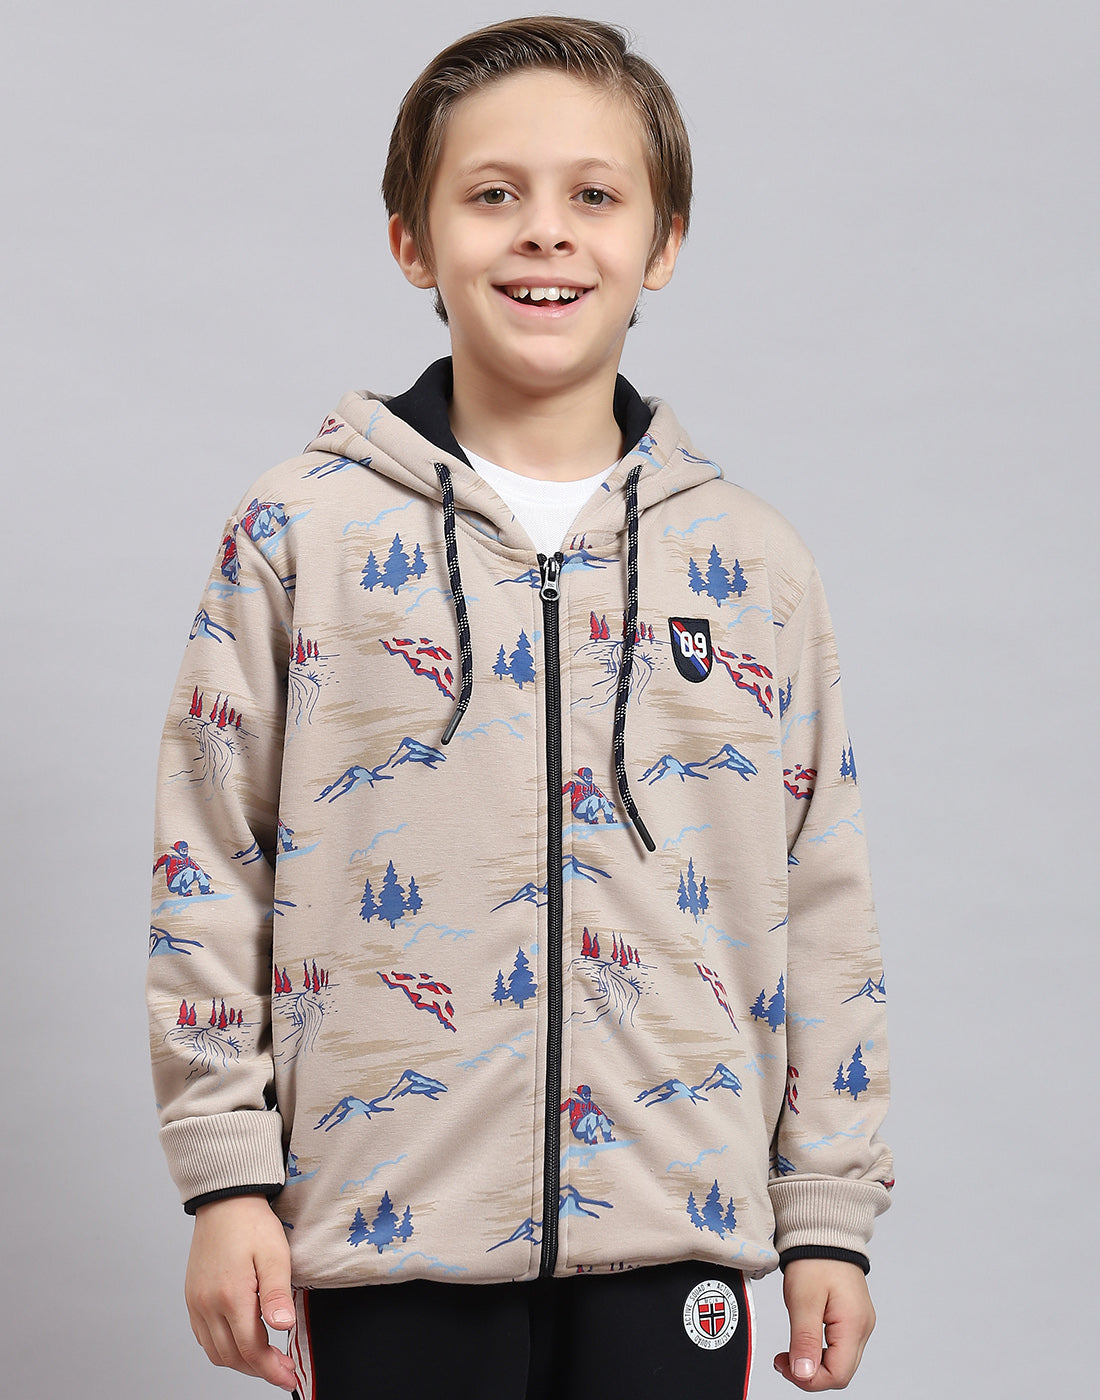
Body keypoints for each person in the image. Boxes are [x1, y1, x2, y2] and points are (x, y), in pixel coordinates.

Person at [147, 17, 892, 1399]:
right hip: (384, 1231)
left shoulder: (754, 567)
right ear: (412, 242)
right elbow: (212, 863)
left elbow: (823, 899)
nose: (545, 231)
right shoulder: (300, 535)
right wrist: (227, 1180)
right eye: (493, 194)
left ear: (663, 242)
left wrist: (828, 1215)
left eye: (594, 195)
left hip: (675, 1229)